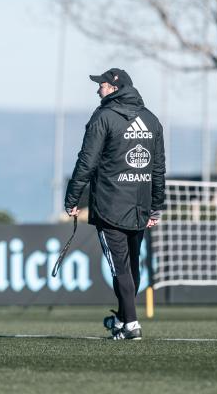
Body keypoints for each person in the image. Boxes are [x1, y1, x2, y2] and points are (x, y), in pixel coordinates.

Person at [64, 68, 165, 340]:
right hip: (139, 207)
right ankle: (122, 319)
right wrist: (156, 206)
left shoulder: (103, 117)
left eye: (102, 85)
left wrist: (72, 198)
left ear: (114, 88)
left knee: (120, 268)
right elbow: (158, 168)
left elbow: (86, 162)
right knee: (132, 267)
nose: (98, 90)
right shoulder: (151, 120)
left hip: (110, 206)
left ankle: (131, 324)